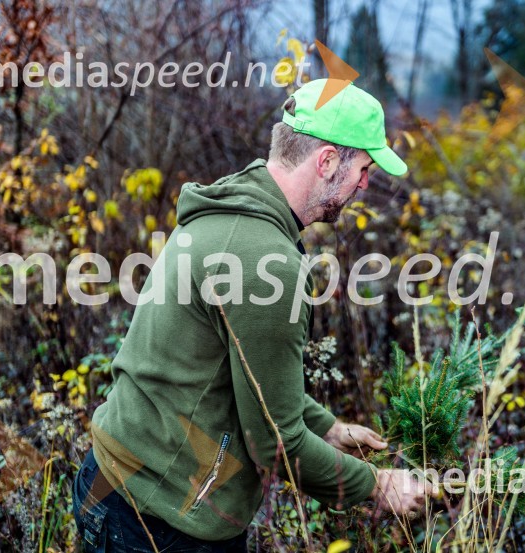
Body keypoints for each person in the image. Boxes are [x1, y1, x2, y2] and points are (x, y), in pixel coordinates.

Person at [72, 79, 437, 552]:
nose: (365, 184)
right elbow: (276, 441)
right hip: (155, 521)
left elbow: (240, 371)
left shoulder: (230, 213)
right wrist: (378, 486)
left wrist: (327, 427)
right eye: (363, 168)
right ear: (326, 161)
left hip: (112, 482)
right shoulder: (265, 263)